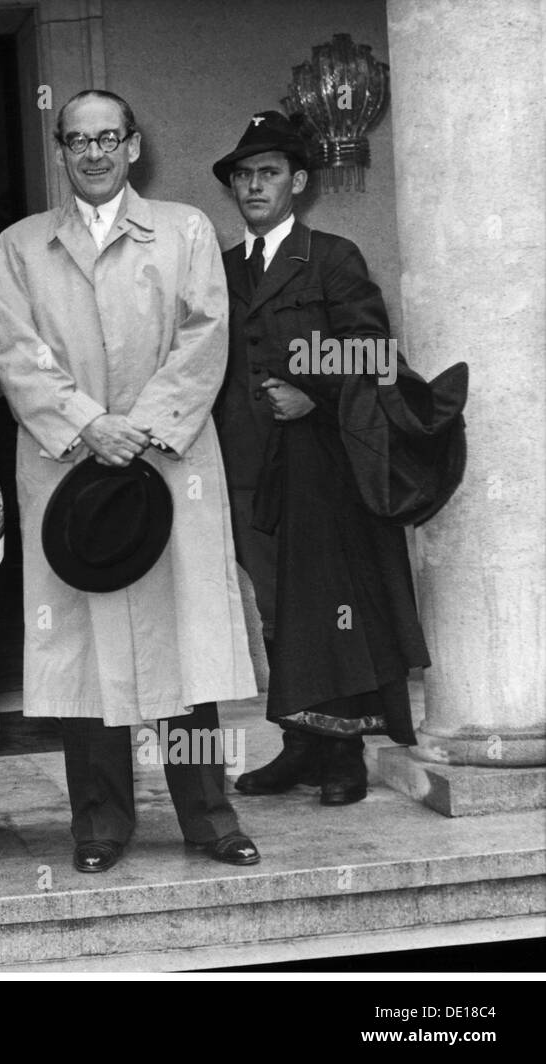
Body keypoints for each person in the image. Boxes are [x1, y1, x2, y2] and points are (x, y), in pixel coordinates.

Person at [0, 90, 261, 873]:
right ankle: (99, 824)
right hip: (70, 466)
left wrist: (142, 426)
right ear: (62, 151)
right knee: (83, 652)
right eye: (79, 140)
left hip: (169, 464)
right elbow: (17, 352)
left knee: (188, 647)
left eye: (110, 138)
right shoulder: (21, 245)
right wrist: (87, 424)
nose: (96, 153)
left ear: (135, 145)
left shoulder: (186, 230)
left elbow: (206, 334)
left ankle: (209, 816)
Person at [210, 112, 430, 805]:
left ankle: (343, 752)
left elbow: (372, 353)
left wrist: (313, 396)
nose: (253, 185)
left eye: (268, 173)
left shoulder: (332, 257)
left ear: (298, 182)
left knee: (331, 605)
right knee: (277, 608)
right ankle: (301, 743)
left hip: (321, 463)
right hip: (244, 466)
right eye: (243, 175)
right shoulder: (219, 270)